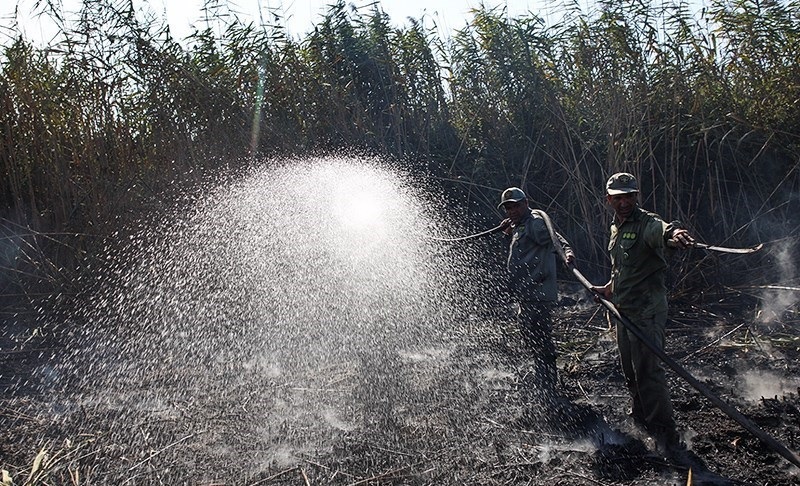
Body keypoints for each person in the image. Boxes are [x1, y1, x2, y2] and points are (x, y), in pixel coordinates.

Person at [590, 172, 695, 452]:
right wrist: (608, 289)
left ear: (637, 196)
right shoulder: (617, 226)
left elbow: (664, 232)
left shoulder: (647, 223)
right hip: (623, 312)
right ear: (608, 199)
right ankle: (642, 422)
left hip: (647, 313)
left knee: (649, 372)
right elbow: (623, 267)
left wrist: (676, 235)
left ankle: (665, 434)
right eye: (618, 197)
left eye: (629, 196)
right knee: (631, 372)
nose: (624, 202)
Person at [497, 187, 575, 396]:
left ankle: (547, 383)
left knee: (540, 337)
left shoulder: (536, 223)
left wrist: (567, 253)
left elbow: (555, 238)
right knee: (530, 335)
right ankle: (543, 377)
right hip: (526, 293)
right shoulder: (521, 226)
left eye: (515, 206)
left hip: (538, 293)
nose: (512, 211)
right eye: (508, 208)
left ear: (525, 203)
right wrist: (511, 230)